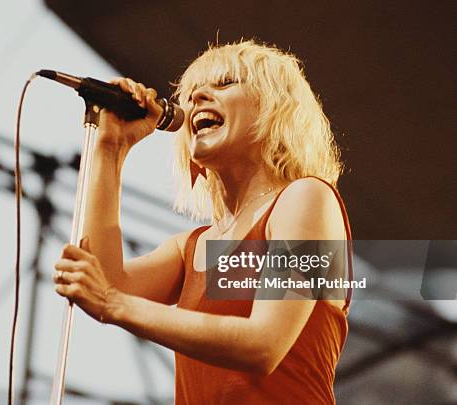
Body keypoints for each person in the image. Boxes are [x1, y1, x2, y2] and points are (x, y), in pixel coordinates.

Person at [53, 40, 352, 404]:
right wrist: (110, 148)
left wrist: (113, 302)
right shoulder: (191, 247)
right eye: (192, 93)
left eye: (225, 83)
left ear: (275, 108)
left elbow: (264, 345)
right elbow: (103, 281)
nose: (197, 98)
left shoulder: (308, 199)